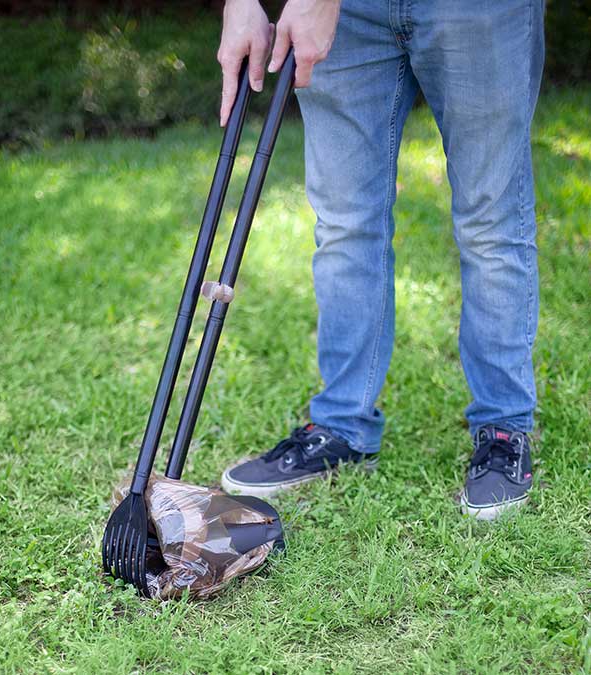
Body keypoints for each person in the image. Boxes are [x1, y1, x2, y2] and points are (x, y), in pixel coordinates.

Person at [217, 0, 545, 521]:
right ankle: (342, 426)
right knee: (345, 224)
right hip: (352, 14)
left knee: (491, 223)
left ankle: (504, 428)